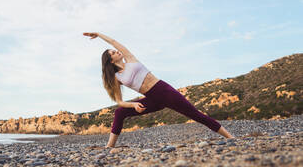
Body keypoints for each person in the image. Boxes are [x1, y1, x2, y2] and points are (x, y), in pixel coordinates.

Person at [83, 32, 234, 148]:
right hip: (152, 98)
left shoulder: (130, 59)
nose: (116, 51)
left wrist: (99, 34)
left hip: (164, 90)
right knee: (119, 112)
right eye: (113, 53)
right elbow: (119, 101)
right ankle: (109, 147)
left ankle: (230, 137)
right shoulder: (117, 77)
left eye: (115, 50)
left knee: (195, 114)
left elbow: (115, 42)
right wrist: (134, 105)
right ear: (111, 60)